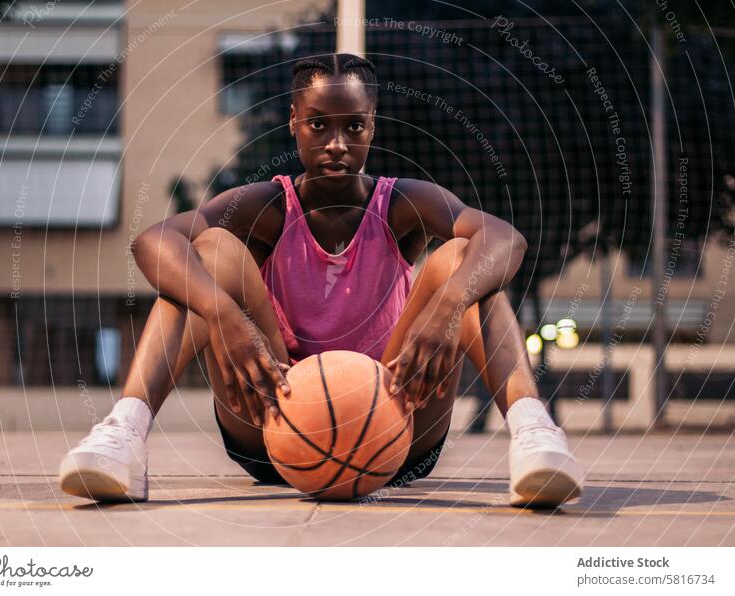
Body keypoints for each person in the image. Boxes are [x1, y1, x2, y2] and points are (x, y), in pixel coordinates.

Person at [58, 53, 584, 508]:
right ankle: (123, 435)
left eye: (353, 126)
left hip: (394, 425)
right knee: (209, 253)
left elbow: (505, 239)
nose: (336, 143)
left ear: (372, 126)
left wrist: (448, 307)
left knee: (462, 261)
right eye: (318, 125)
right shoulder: (265, 205)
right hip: (271, 423)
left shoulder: (401, 204)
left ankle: (534, 435)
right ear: (293, 121)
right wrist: (221, 314)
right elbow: (152, 241)